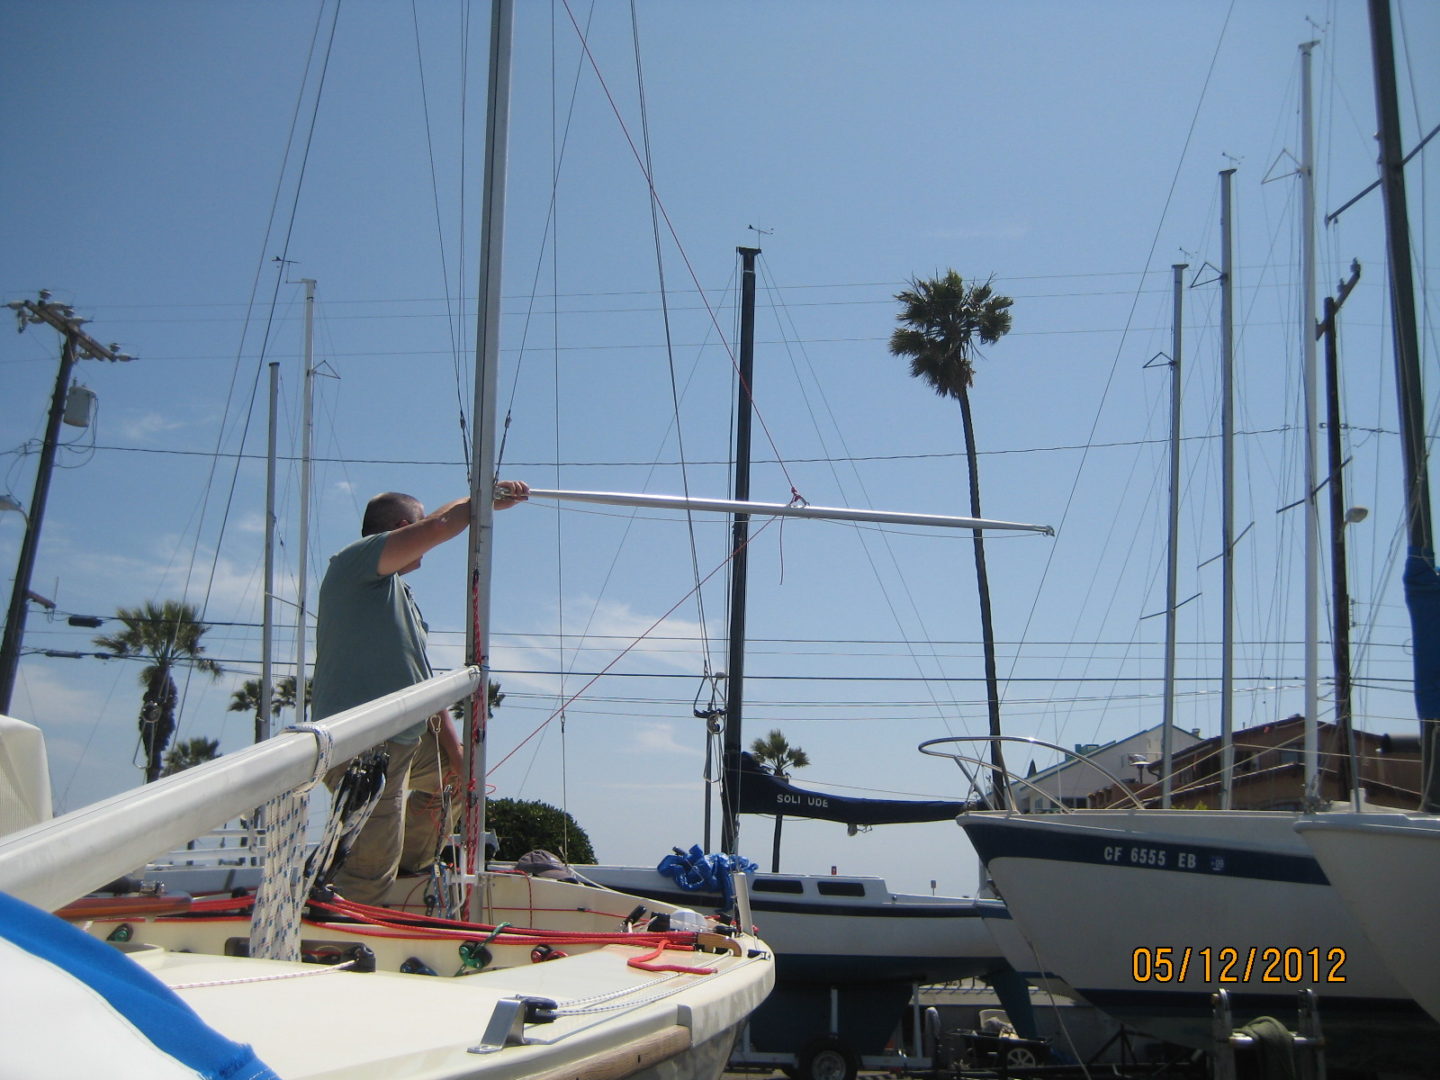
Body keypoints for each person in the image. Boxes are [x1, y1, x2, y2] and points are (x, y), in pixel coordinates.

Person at [311, 483, 528, 904]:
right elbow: (442, 524)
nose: (427, 545)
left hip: (407, 739)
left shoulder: (399, 597)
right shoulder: (356, 564)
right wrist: (485, 499)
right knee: (369, 866)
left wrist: (459, 756)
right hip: (366, 744)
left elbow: (422, 683)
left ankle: (409, 871)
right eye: (420, 527)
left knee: (458, 780)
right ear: (400, 528)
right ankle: (348, 933)